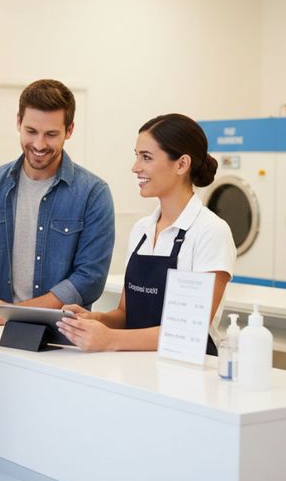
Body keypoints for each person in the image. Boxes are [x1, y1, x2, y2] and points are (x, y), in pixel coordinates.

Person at [57, 113, 236, 354]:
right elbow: (126, 315)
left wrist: (110, 339)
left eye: (147, 157)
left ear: (182, 164)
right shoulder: (142, 229)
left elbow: (188, 331)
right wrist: (94, 320)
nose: (135, 167)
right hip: (137, 365)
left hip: (188, 372)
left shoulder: (210, 232)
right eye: (137, 156)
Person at [0, 79, 115, 325]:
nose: (39, 144)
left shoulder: (93, 193)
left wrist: (14, 312)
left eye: (51, 134)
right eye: (31, 131)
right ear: (18, 122)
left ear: (69, 130)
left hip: (61, 336)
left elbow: (89, 278)